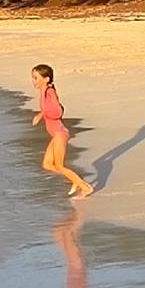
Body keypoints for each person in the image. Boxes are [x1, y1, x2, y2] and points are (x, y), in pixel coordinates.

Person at [30, 65, 96, 198]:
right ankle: (75, 180)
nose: (33, 81)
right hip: (56, 135)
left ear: (46, 79)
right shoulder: (43, 92)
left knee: (59, 165)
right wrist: (42, 113)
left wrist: (40, 115)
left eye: (36, 78)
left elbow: (57, 111)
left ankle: (85, 187)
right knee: (47, 164)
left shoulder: (49, 92)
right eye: (33, 78)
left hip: (60, 133)